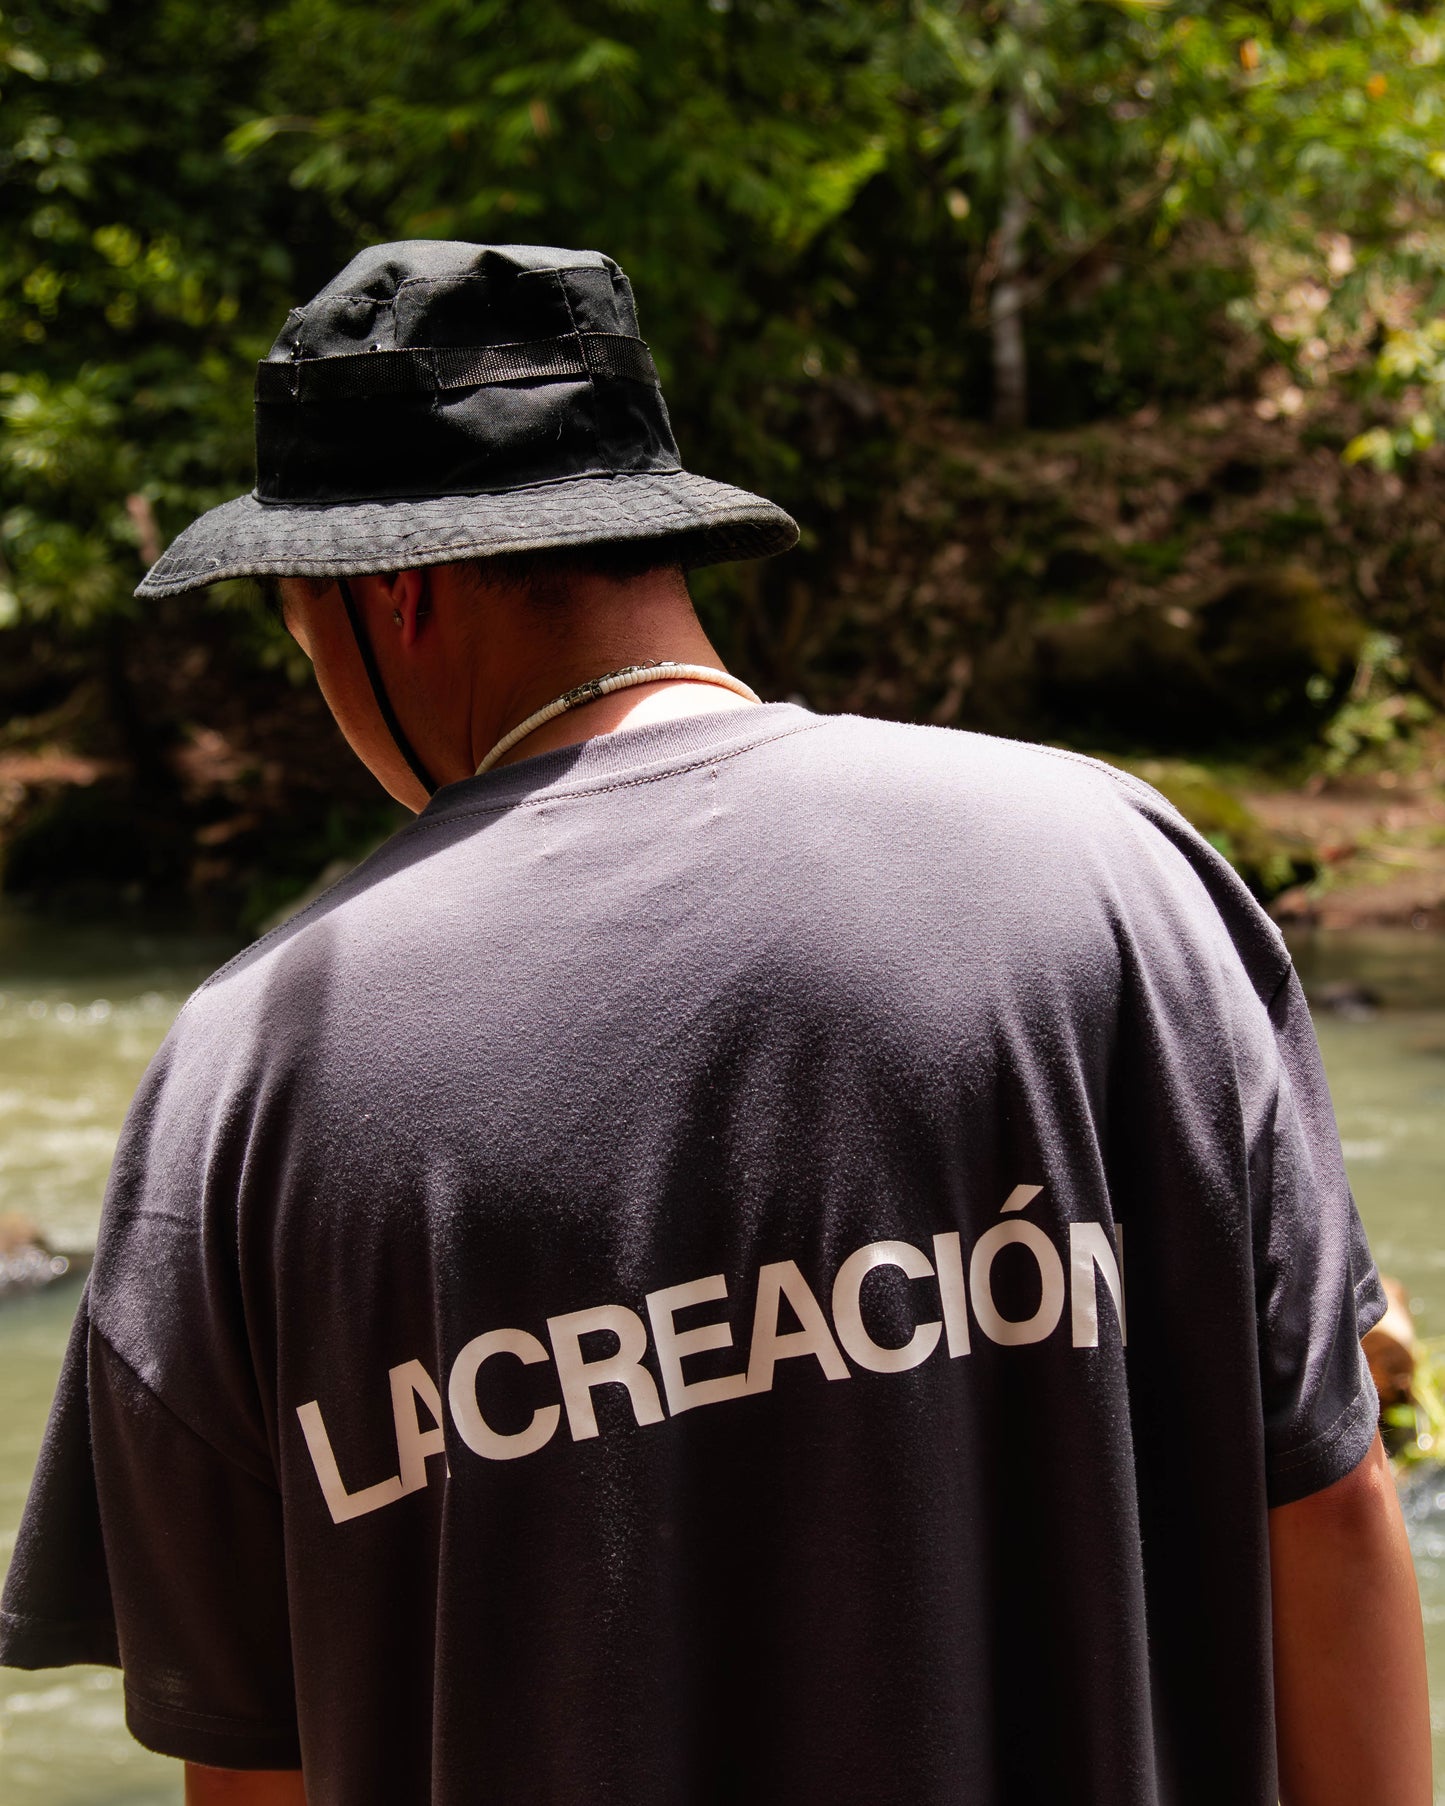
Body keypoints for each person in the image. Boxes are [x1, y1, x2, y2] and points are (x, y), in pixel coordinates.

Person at [0, 241, 1430, 1806]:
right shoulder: (1119, 875)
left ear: (385, 595)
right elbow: (1333, 1500)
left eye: (295, 626)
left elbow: (251, 1760)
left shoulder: (247, 1074)